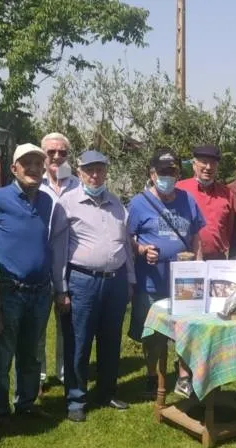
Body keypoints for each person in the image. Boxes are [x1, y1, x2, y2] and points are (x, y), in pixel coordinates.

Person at [0, 143, 68, 422]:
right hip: (8, 290)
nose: (33, 169)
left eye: (38, 164)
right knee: (2, 355)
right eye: (26, 164)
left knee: (31, 353)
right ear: (14, 168)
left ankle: (26, 403)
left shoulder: (47, 201)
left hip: (40, 291)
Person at [55, 150, 135, 422]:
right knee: (78, 341)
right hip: (82, 281)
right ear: (79, 172)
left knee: (111, 340)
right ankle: (76, 399)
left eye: (100, 169)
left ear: (106, 172)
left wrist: (131, 281)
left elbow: (125, 245)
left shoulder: (116, 203)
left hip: (116, 281)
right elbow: (58, 249)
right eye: (89, 170)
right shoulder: (67, 203)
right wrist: (61, 288)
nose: (95, 174)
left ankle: (106, 391)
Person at [127, 147, 205, 398]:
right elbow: (128, 238)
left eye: (172, 171)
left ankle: (183, 375)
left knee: (187, 328)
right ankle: (152, 374)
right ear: (152, 174)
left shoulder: (187, 199)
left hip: (184, 280)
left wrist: (199, 264)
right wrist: (141, 249)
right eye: (163, 172)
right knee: (153, 334)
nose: (168, 176)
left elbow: (196, 236)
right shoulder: (138, 203)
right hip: (152, 280)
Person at [37, 132, 79, 387]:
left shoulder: (78, 183)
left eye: (62, 152)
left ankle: (65, 373)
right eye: (51, 152)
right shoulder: (33, 183)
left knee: (67, 325)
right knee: (38, 325)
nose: (56, 156)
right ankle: (39, 376)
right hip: (41, 263)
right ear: (43, 155)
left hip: (71, 264)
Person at [175, 144, 232, 260]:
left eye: (213, 163)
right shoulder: (179, 189)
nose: (208, 167)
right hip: (187, 258)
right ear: (194, 165)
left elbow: (229, 227)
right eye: (204, 162)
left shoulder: (227, 193)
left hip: (217, 259)